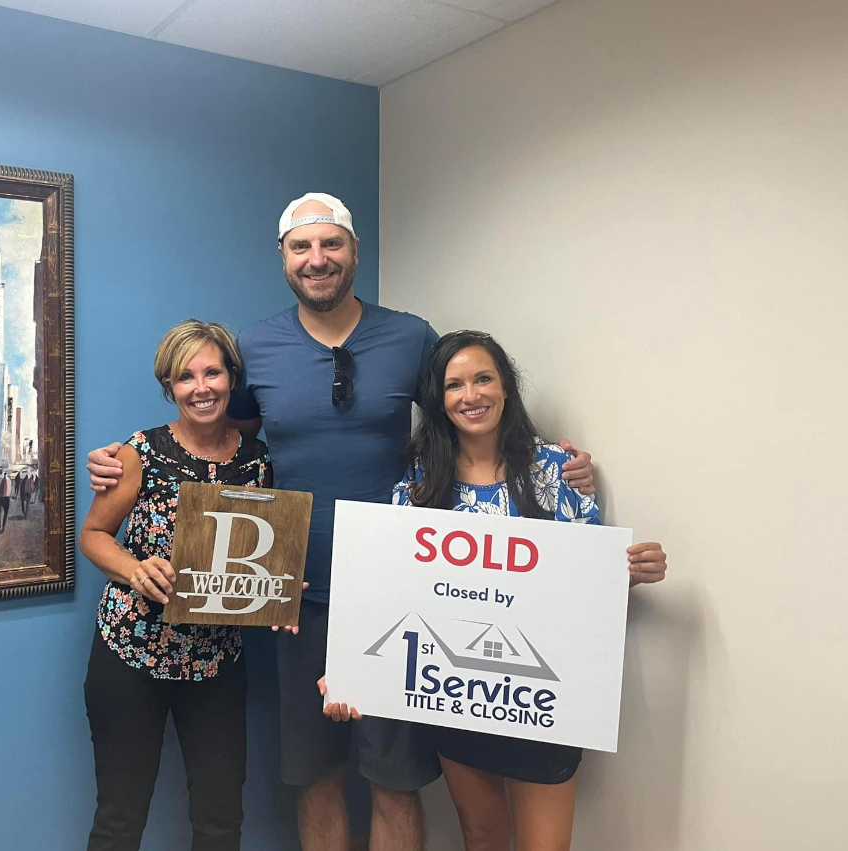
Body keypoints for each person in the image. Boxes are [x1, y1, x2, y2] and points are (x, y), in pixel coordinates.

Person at [85, 194, 596, 851]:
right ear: (283, 258)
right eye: (301, 247)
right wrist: (122, 455)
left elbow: (467, 414)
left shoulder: (411, 337)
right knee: (316, 775)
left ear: (354, 250)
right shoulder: (257, 346)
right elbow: (220, 433)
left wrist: (550, 462)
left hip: (398, 596)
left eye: (330, 244)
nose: (316, 259)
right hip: (294, 599)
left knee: (394, 780)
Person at [321, 330, 668, 851]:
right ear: (439, 400)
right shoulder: (419, 483)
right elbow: (387, 591)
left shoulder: (555, 471)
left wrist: (630, 572)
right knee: (481, 837)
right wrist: (349, 668)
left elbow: (585, 587)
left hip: (542, 700)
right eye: (454, 384)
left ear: (507, 388)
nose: (471, 395)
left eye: (483, 378)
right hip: (459, 696)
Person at [78, 320, 271, 851]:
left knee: (220, 819)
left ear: (232, 378)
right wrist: (134, 568)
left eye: (212, 372)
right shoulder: (142, 451)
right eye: (185, 377)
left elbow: (266, 557)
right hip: (130, 657)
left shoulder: (257, 461)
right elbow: (92, 536)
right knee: (119, 818)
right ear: (170, 387)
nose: (201, 387)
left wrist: (276, 594)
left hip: (216, 662)